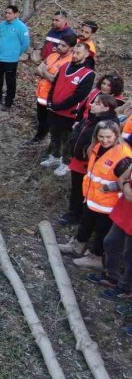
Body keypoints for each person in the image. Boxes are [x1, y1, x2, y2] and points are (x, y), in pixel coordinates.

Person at [58, 121, 132, 270]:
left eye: (108, 137)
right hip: (92, 197)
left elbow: (126, 181)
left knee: (101, 232)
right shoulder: (97, 147)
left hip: (108, 204)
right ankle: (77, 245)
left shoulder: (124, 155)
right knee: (86, 223)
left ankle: (96, 257)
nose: (105, 140)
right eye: (101, 136)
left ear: (116, 135)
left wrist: (108, 188)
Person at [59, 94, 119, 226]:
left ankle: (76, 216)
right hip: (78, 160)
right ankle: (73, 212)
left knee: (81, 190)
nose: (92, 105)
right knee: (76, 188)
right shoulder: (91, 118)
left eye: (97, 103)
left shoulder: (108, 125)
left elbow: (103, 146)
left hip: (89, 164)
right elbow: (77, 131)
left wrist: (86, 152)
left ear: (106, 108)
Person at [41, 42, 96, 170]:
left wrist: (60, 106)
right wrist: (50, 101)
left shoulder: (88, 74)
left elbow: (79, 96)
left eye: (78, 53)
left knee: (67, 139)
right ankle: (54, 157)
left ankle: (65, 163)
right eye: (74, 52)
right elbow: (54, 85)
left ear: (86, 54)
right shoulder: (65, 66)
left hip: (69, 113)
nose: (75, 55)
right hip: (54, 109)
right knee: (54, 135)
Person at [92, 166, 132, 302]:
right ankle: (112, 276)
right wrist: (125, 183)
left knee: (129, 255)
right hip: (125, 212)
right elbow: (121, 178)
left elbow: (129, 195)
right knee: (110, 242)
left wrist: (126, 184)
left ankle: (125, 288)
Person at [30, 35, 75, 143]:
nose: (59, 47)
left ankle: (43, 139)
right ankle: (39, 137)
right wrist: (47, 74)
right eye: (59, 44)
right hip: (41, 94)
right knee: (41, 119)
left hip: (52, 97)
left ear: (71, 48)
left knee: (48, 121)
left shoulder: (69, 63)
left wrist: (44, 71)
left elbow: (55, 80)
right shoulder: (53, 55)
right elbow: (37, 69)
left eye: (63, 46)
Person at [0, 5, 30, 110]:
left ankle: (8, 102)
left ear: (16, 14)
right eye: (6, 13)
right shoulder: (2, 25)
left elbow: (25, 43)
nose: (7, 15)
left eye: (10, 13)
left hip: (11, 60)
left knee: (10, 81)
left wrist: (16, 53)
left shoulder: (21, 27)